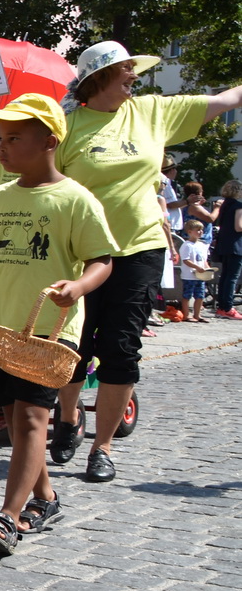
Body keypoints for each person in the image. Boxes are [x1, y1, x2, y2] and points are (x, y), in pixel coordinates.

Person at [0, 94, 115, 554]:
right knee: (11, 417)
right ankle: (45, 497)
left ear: (49, 141)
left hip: (48, 329)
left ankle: (9, 516)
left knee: (32, 418)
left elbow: (102, 260)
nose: (0, 148)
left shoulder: (76, 199)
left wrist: (80, 285)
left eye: (13, 138)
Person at [49, 41, 242, 483]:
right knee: (72, 348)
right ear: (100, 77)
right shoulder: (66, 127)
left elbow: (224, 100)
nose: (134, 76)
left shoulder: (152, 111)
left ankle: (102, 447)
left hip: (139, 249)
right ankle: (67, 420)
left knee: (121, 348)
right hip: (80, 252)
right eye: (126, 70)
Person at [212, 180, 242, 319]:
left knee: (225, 276)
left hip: (224, 243)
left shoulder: (225, 205)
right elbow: (239, 226)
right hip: (236, 245)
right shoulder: (238, 205)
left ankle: (222, 306)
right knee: (232, 277)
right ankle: (228, 307)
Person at [179, 218, 211, 323]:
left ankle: (197, 315)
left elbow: (204, 260)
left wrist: (207, 268)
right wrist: (197, 267)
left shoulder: (202, 245)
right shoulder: (187, 245)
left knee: (200, 295)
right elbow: (185, 260)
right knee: (187, 295)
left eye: (201, 230)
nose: (200, 232)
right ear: (189, 232)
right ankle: (186, 315)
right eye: (198, 230)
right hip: (189, 275)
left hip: (200, 275)